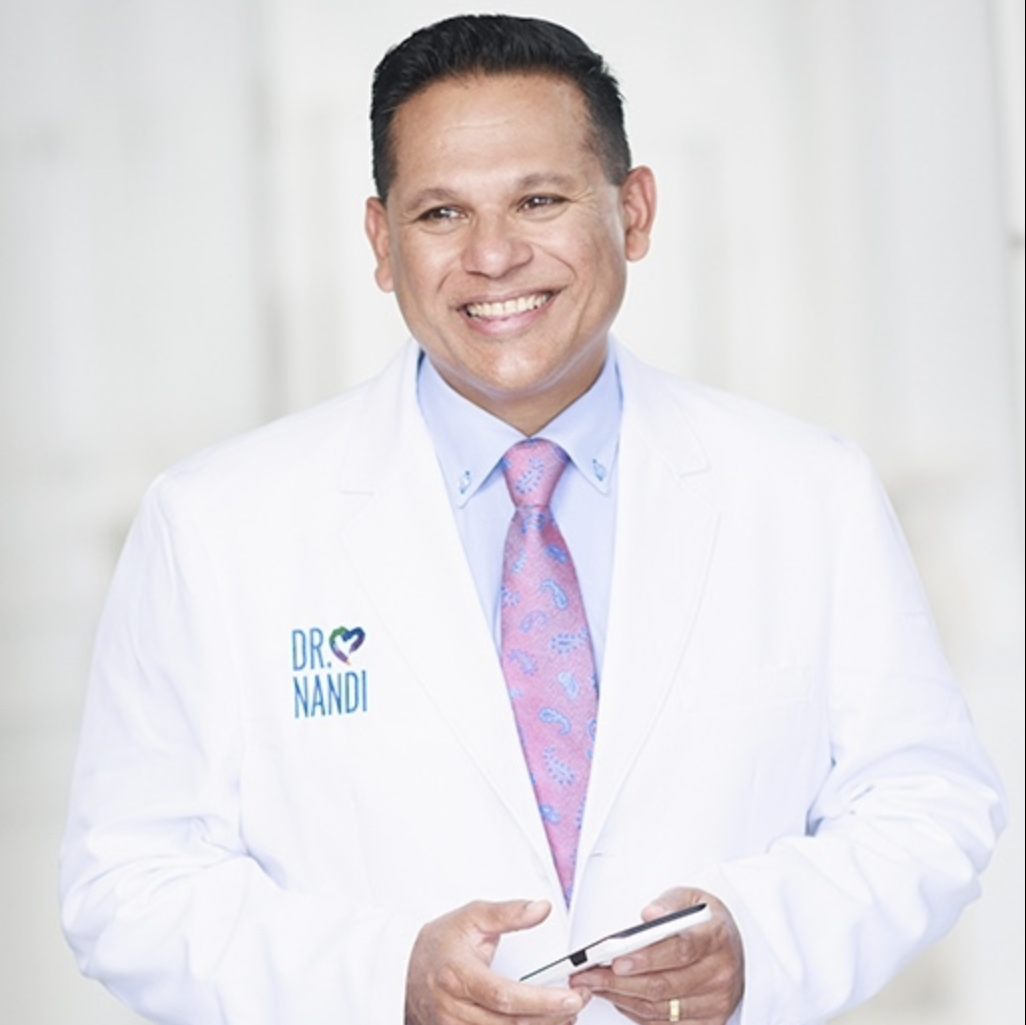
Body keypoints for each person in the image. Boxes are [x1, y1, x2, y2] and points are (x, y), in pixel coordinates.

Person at [60, 14, 1005, 1025]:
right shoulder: (217, 525)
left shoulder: (807, 491)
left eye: (540, 200)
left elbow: (926, 803)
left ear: (634, 211)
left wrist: (762, 941)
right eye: (441, 213)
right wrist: (384, 981)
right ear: (382, 243)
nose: (494, 255)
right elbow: (128, 883)